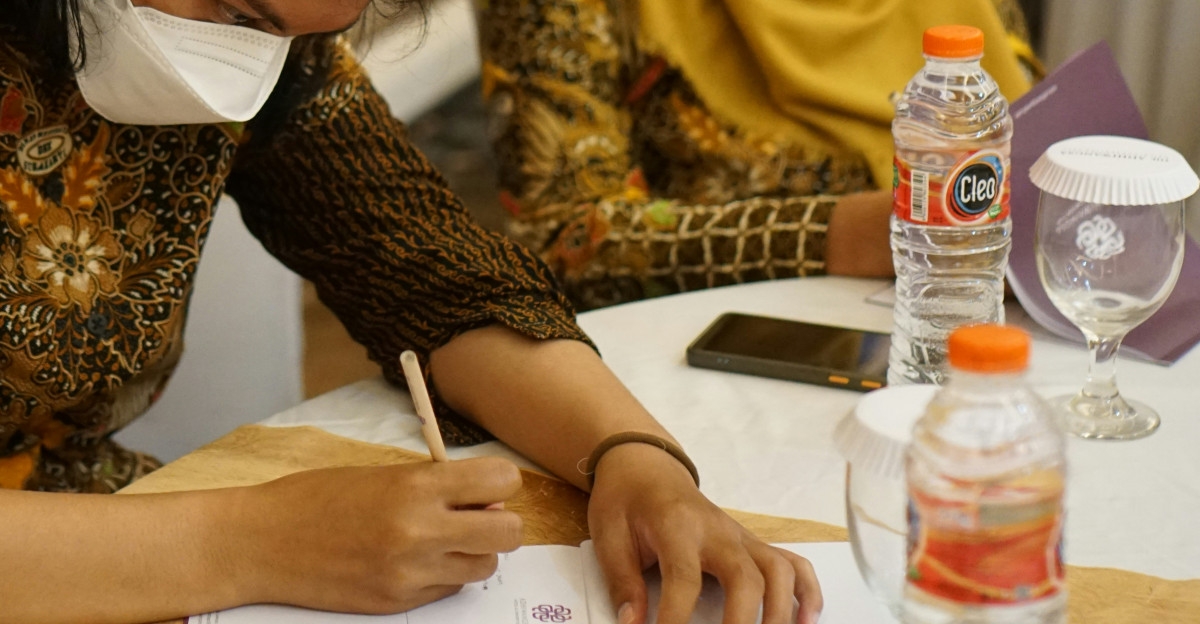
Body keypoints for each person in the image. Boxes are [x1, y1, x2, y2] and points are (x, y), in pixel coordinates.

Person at [0, 1, 821, 623]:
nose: (239, 62)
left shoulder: (280, 47)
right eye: (235, 12)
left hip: (96, 522)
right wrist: (248, 541)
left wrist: (635, 460)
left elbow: (427, 269)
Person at [480, 0, 1042, 310]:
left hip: (988, 325)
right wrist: (840, 233)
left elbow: (1037, 126)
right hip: (725, 361)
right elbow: (557, 238)